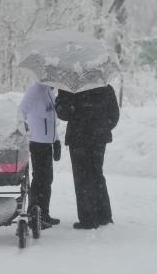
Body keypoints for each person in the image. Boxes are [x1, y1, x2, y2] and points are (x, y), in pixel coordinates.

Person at [55, 84, 119, 229]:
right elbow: (114, 115)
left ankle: (88, 218)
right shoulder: (105, 86)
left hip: (78, 137)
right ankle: (104, 215)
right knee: (97, 174)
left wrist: (61, 102)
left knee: (82, 177)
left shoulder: (70, 86)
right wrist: (102, 127)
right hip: (99, 138)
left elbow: (63, 114)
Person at [20, 81, 61, 229]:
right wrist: (25, 130)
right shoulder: (35, 89)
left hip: (47, 143)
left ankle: (44, 214)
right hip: (36, 141)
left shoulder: (50, 91)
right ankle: (34, 216)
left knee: (47, 179)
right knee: (39, 179)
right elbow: (21, 112)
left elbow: (51, 120)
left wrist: (56, 140)